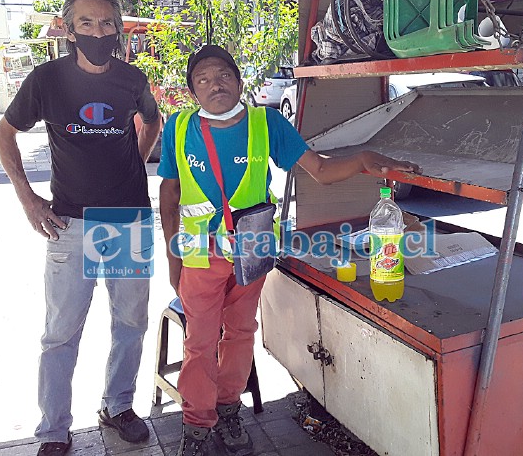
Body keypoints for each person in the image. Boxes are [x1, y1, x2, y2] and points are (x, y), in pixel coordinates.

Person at [158, 45, 421, 456]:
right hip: (200, 254)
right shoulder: (178, 127)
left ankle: (228, 409)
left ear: (239, 79)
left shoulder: (268, 124)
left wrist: (362, 161)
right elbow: (169, 193)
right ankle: (197, 425)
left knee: (242, 333)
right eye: (204, 80)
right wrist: (173, 258)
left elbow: (319, 169)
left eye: (223, 75)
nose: (215, 85)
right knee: (200, 341)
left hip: (254, 248)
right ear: (193, 92)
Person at [0, 0, 162, 456]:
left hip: (128, 219)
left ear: (119, 29)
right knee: (61, 331)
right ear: (69, 30)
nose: (97, 30)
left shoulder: (132, 79)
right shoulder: (46, 81)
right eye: (86, 23)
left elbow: (152, 122)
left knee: (130, 321)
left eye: (106, 22)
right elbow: (4, 134)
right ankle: (53, 429)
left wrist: (134, 159)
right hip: (68, 223)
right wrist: (28, 199)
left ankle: (118, 405)